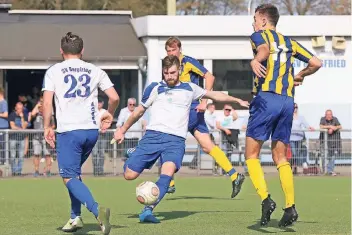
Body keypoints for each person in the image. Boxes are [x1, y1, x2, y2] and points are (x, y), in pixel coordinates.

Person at [112, 55, 249, 223]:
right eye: (166, 73)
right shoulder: (154, 88)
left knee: (166, 176)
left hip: (175, 141)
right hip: (153, 137)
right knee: (129, 175)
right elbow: (138, 111)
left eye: (172, 72)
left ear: (179, 71)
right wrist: (122, 130)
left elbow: (215, 95)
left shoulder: (190, 88)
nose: (169, 76)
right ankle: (133, 155)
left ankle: (148, 210)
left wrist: (236, 100)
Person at [246, 4, 322, 227]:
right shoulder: (290, 42)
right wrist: (301, 74)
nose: (253, 23)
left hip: (266, 98)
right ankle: (290, 207)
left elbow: (262, 50)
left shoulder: (258, 35)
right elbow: (316, 63)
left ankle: (265, 199)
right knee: (281, 158)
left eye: (254, 19)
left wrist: (255, 61)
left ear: (262, 20)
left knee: (251, 155)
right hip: (288, 102)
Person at [42, 32, 119, 234]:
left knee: (68, 177)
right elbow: (114, 97)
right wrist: (109, 114)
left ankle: (97, 211)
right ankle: (75, 217)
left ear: (61, 51)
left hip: (69, 130)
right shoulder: (95, 70)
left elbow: (47, 102)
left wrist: (47, 126)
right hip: (91, 131)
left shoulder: (54, 71)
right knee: (74, 174)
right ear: (82, 51)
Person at [165, 37, 245, 198]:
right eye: (168, 51)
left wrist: (204, 100)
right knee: (208, 146)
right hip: (189, 110)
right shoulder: (169, 66)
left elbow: (210, 77)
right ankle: (234, 175)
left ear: (180, 49)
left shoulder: (188, 62)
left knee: (169, 140)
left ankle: (169, 182)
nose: (170, 53)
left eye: (173, 50)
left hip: (189, 110)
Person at [289, 103, 314, 175]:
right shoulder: (288, 117)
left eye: (296, 107)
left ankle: (294, 167)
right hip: (291, 138)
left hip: (299, 138)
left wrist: (310, 127)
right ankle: (291, 166)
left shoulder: (301, 117)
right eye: (293, 107)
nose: (295, 109)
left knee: (297, 153)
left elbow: (306, 125)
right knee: (294, 153)